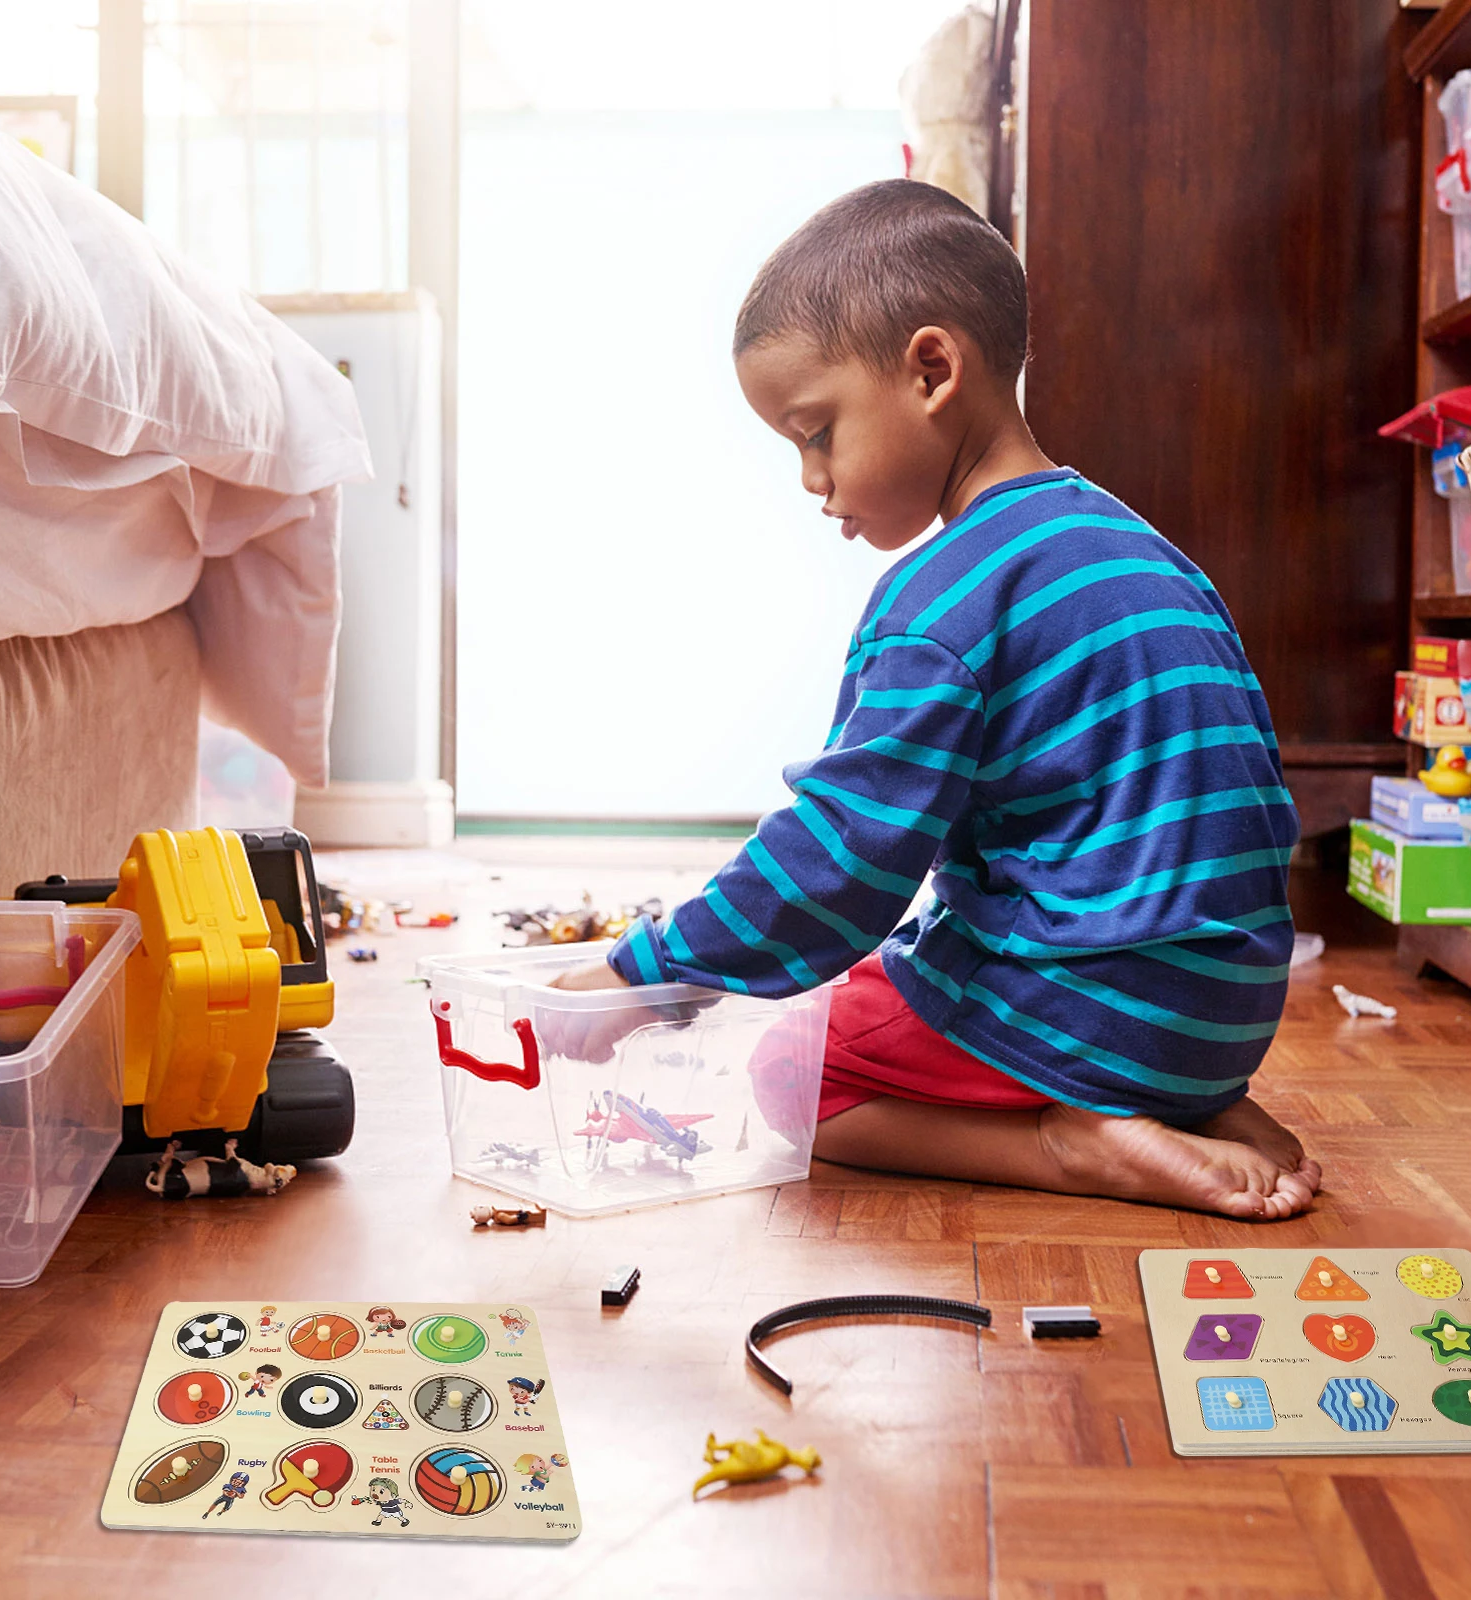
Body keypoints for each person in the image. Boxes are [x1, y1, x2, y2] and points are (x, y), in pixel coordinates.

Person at [553, 179, 1319, 1221]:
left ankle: (1071, 1141)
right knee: (896, 967)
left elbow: (841, 863)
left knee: (794, 1068)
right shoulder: (1142, 549)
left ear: (930, 370)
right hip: (1221, 1011)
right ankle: (1187, 1104)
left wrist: (648, 978)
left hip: (1087, 1013)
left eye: (815, 432)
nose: (811, 479)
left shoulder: (940, 600)